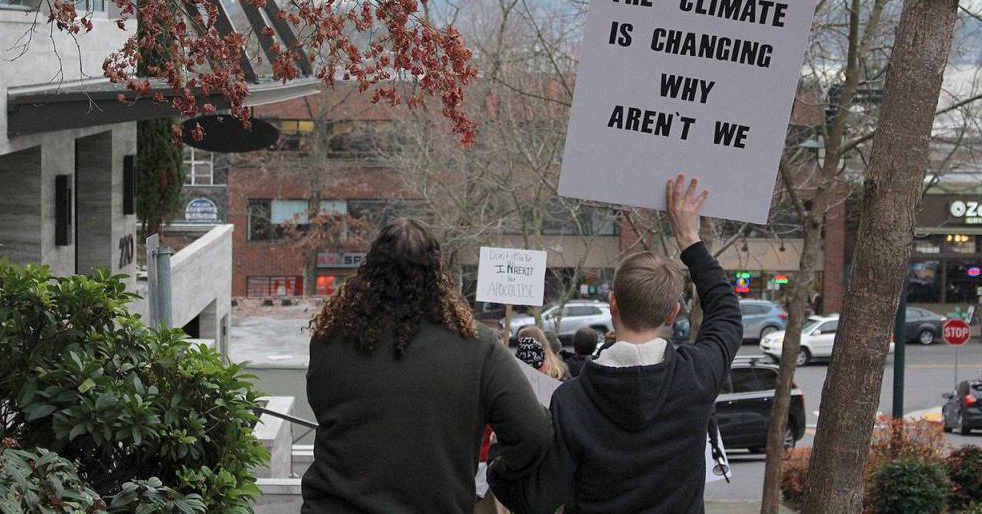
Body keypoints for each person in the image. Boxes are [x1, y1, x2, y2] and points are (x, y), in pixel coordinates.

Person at [489, 175, 743, 513]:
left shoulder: (571, 402)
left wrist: (499, 459)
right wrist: (689, 239)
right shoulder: (697, 377)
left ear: (612, 305)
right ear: (672, 314)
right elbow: (726, 312)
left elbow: (536, 498)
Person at [301, 218, 552, 513]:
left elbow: (323, 407)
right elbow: (532, 432)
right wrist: (498, 474)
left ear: (369, 271)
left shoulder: (330, 338)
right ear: (438, 275)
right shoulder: (477, 345)